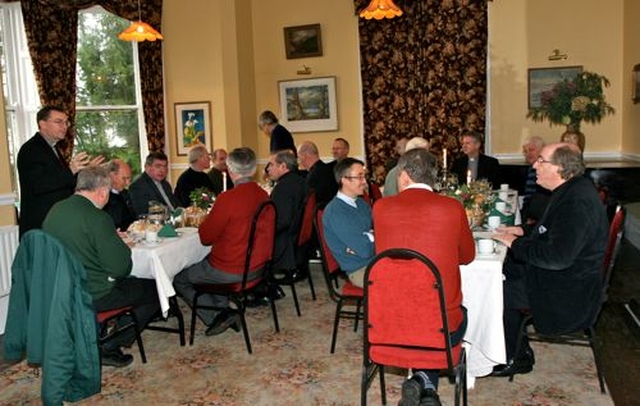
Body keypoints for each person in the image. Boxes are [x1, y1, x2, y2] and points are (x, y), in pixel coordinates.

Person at [491, 143, 608, 378]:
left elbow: (557, 257)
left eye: (541, 161)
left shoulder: (576, 202)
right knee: (503, 268)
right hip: (565, 277)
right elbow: (551, 230)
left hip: (566, 290)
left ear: (560, 168)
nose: (534, 165)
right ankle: (515, 344)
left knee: (495, 290)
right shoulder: (571, 190)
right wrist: (521, 230)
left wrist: (514, 243)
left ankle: (516, 357)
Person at [373, 148, 475, 406]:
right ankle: (425, 385)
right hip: (440, 331)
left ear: (404, 176)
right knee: (448, 311)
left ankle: (424, 383)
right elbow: (467, 256)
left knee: (420, 311)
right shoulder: (452, 208)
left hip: (388, 325)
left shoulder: (381, 208)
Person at [42, 165, 160, 368]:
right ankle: (109, 346)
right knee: (156, 290)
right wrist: (117, 243)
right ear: (103, 192)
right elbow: (120, 268)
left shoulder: (54, 210)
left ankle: (93, 335)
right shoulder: (98, 218)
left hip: (60, 289)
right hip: (94, 293)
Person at [173, 147, 272, 336]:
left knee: (180, 278)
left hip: (232, 269)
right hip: (258, 267)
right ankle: (225, 310)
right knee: (203, 265)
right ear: (253, 170)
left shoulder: (227, 199)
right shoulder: (263, 195)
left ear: (230, 169)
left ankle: (217, 317)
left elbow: (205, 237)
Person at [17, 105, 103, 237]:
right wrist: (71, 170)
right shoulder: (31, 149)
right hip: (41, 225)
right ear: (42, 124)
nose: (65, 126)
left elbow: (64, 182)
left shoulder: (53, 148)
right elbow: (39, 185)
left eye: (66, 122)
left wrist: (86, 171)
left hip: (57, 221)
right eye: (58, 122)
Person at [322, 157, 374, 288]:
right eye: (360, 177)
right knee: (401, 278)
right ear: (344, 180)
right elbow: (365, 249)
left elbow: (380, 232)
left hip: (374, 261)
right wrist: (370, 237)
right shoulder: (335, 212)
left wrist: (368, 237)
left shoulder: (361, 203)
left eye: (364, 177)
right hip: (359, 270)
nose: (365, 182)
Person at [267, 150, 309, 271]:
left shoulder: (283, 188)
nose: (268, 169)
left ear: (283, 166)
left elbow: (282, 221)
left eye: (271, 164)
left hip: (284, 244)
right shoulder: (300, 181)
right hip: (296, 242)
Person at [129, 151, 181, 216]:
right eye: (158, 166)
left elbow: (175, 205)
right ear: (147, 167)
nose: (162, 170)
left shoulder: (165, 184)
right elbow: (143, 213)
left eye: (165, 166)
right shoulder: (138, 186)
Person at [297, 140, 338, 206]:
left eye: (299, 157)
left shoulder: (313, 176)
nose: (298, 161)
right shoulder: (330, 170)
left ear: (304, 156)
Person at [520, 136, 550, 224]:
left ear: (542, 150)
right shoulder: (532, 168)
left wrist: (531, 218)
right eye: (525, 151)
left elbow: (544, 199)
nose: (528, 154)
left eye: (531, 150)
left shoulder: (546, 170)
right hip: (530, 209)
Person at [103, 159, 135, 231]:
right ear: (112, 175)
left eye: (129, 179)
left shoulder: (126, 193)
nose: (127, 183)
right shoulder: (101, 196)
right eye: (124, 179)